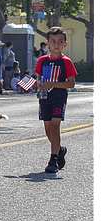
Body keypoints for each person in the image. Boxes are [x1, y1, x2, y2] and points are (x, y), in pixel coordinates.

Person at [34, 26, 77, 173]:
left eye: (60, 41)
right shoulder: (42, 60)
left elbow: (71, 83)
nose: (56, 44)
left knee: (54, 127)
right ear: (47, 43)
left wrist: (53, 84)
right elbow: (39, 78)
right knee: (48, 130)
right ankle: (59, 150)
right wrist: (38, 83)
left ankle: (52, 160)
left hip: (59, 97)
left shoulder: (66, 62)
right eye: (53, 41)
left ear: (65, 43)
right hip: (45, 98)